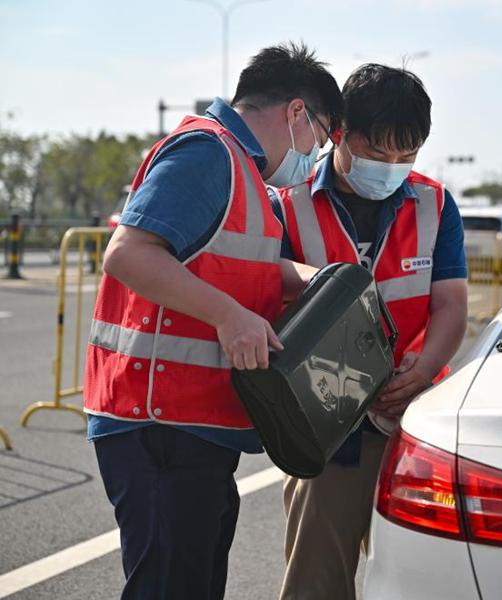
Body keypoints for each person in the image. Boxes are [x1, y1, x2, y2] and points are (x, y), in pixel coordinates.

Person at [82, 42, 341, 600]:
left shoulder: (248, 176)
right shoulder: (207, 153)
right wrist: (230, 316)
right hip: (159, 424)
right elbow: (128, 254)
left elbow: (241, 263)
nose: (315, 157)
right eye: (319, 140)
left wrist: (322, 281)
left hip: (196, 425)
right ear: (297, 113)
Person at [271, 64, 469, 600]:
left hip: (410, 416)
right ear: (339, 132)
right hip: (325, 424)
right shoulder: (286, 204)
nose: (392, 169)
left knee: (420, 579)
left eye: (407, 157)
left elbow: (451, 305)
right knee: (316, 580)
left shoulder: (435, 204)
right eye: (379, 154)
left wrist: (424, 367)